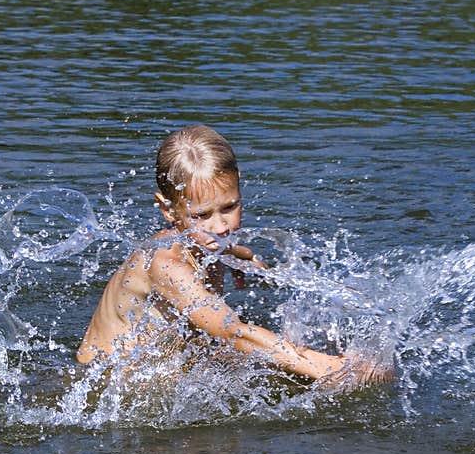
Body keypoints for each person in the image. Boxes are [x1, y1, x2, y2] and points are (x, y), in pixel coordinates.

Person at [77, 124, 368, 383]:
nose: (220, 227)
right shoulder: (167, 265)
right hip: (106, 380)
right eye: (202, 214)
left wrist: (244, 256)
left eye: (230, 207)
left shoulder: (203, 239)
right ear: (168, 209)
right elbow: (232, 332)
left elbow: (221, 241)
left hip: (161, 368)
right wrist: (332, 369)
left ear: (238, 184)